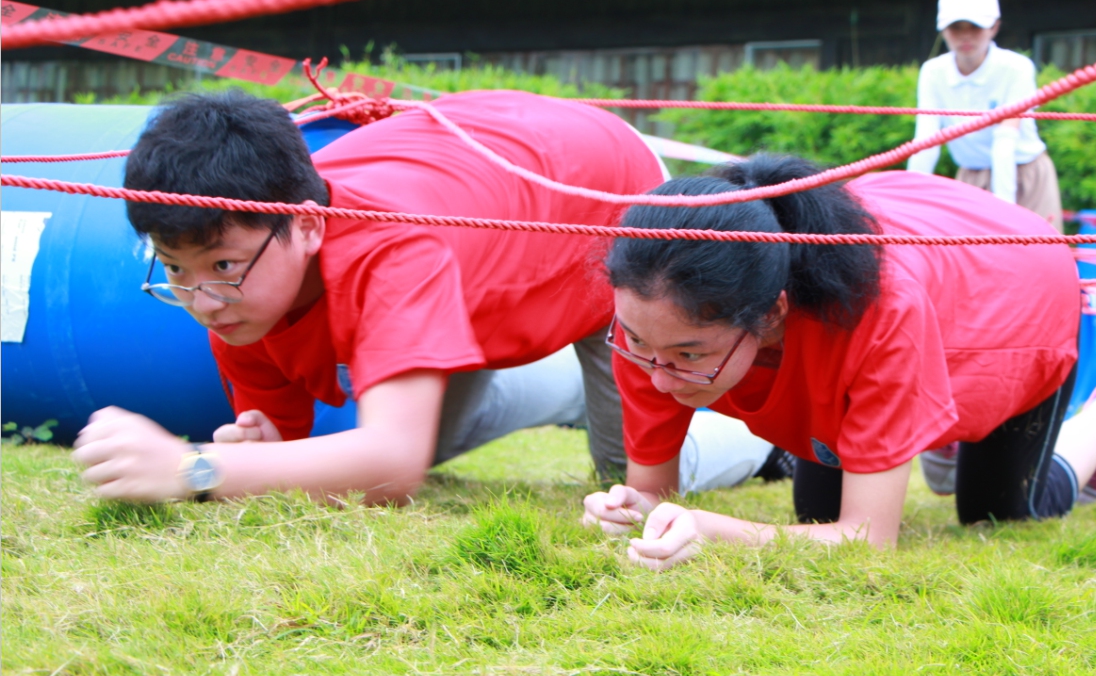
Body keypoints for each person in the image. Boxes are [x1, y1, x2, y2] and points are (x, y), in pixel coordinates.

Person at [72, 89, 777, 504]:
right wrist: (251, 447)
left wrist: (194, 467)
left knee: (630, 483)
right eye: (174, 268)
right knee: (377, 449)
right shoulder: (234, 276)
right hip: (480, 227)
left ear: (307, 226)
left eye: (221, 265)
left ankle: (761, 449)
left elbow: (391, 464)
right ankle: (556, 387)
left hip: (598, 191)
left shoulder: (391, 251)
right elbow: (289, 454)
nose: (202, 298)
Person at [582, 155, 1096, 571]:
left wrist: (712, 530)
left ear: (771, 314)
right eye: (637, 343)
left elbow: (867, 543)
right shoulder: (655, 315)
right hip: (921, 253)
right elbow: (654, 490)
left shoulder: (879, 316)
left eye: (689, 356)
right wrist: (636, 508)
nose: (656, 377)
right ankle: (925, 437)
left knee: (997, 511)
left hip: (1018, 289)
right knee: (815, 513)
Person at [906, 0, 1064, 232]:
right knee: (975, 264)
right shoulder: (933, 72)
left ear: (994, 27)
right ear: (943, 29)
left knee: (1043, 255)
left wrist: (1004, 211)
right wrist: (910, 203)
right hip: (970, 178)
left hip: (1026, 174)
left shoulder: (1016, 68)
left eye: (976, 26)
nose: (966, 36)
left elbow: (1005, 138)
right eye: (956, 27)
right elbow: (926, 142)